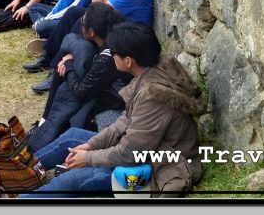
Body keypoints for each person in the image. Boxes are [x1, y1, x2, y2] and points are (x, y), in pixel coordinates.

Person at [18, 22, 206, 198]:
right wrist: (91, 146)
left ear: (128, 60)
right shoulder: (151, 71)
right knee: (73, 136)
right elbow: (123, 123)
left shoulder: (154, 97)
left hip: (161, 165)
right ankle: (17, 174)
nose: (110, 55)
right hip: (147, 150)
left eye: (113, 52)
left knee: (73, 178)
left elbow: (129, 154)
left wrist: (89, 158)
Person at [29, 0, 154, 93]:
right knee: (75, 12)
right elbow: (99, 8)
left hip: (129, 37)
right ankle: (49, 57)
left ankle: (57, 71)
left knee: (86, 21)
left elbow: (98, 11)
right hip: (116, 24)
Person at [24, 2, 128, 152]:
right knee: (73, 54)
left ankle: (43, 133)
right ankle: (45, 127)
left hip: (114, 107)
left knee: (70, 77)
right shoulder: (110, 38)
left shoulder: (107, 57)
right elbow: (72, 40)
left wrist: (69, 66)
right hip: (106, 95)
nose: (80, 25)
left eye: (82, 23)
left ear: (92, 32)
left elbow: (81, 93)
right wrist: (70, 56)